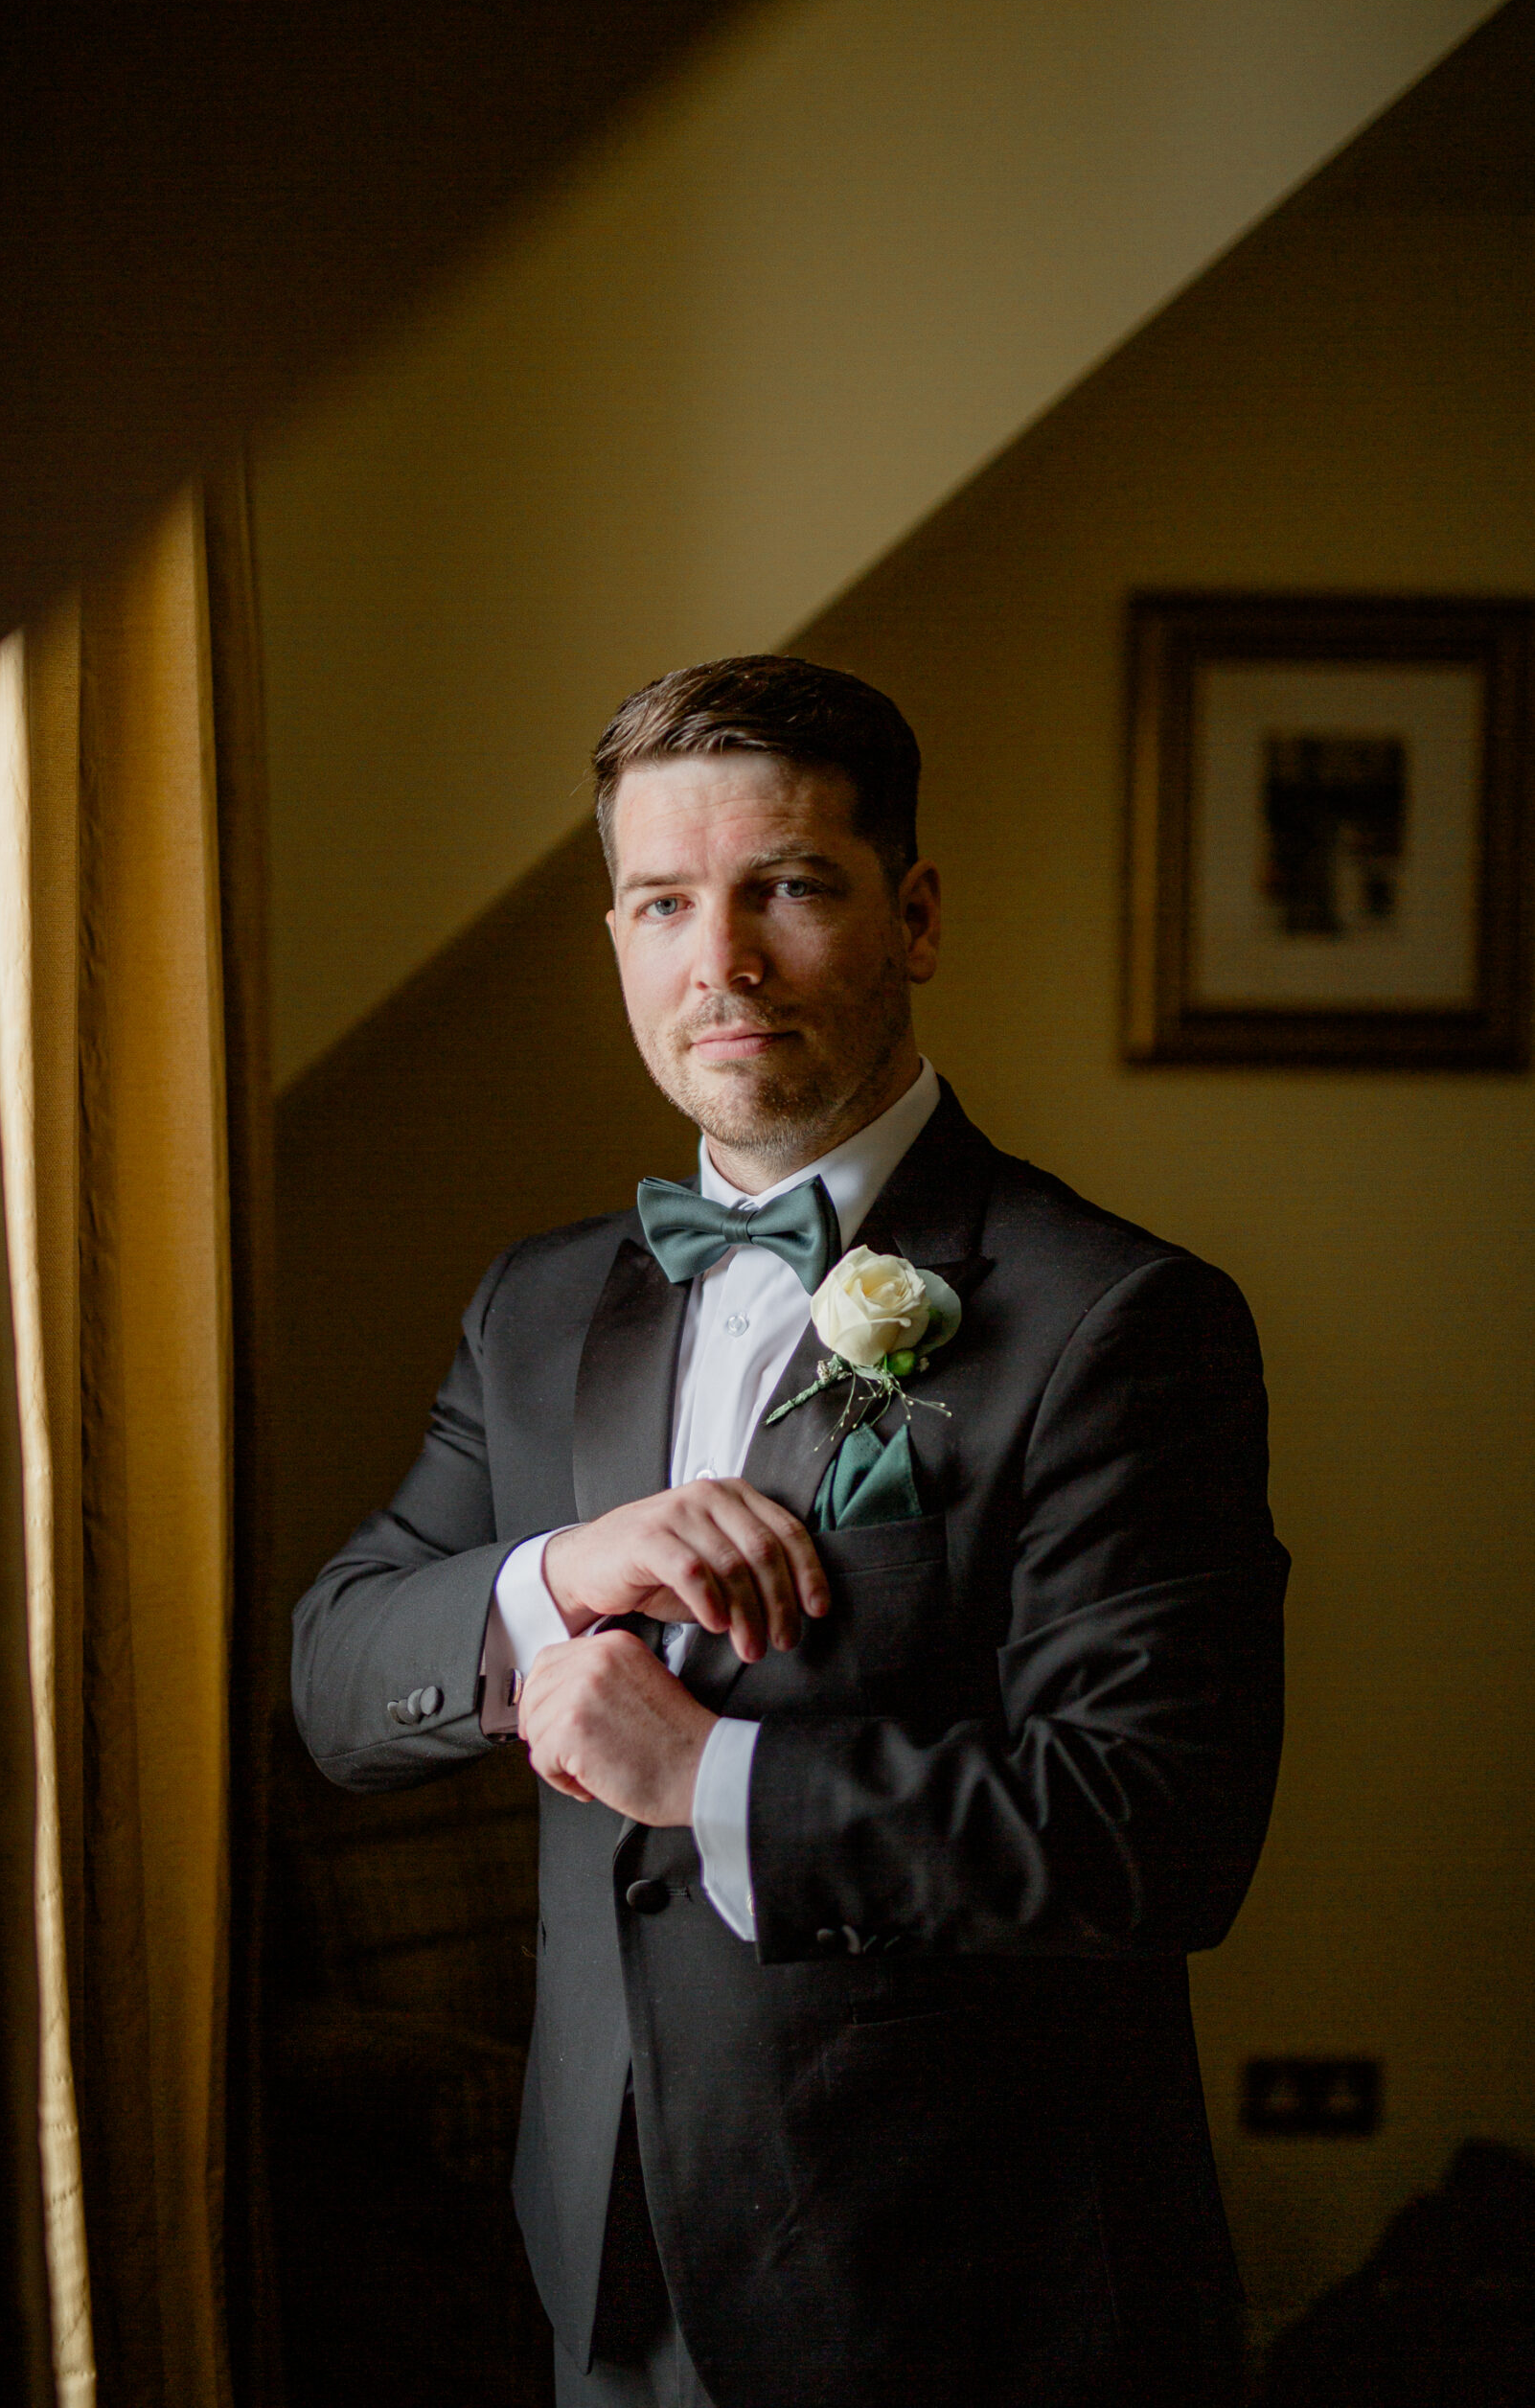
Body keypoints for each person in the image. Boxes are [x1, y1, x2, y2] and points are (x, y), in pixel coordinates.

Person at [292, 654, 1287, 2408]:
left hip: (973, 2293)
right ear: (615, 935)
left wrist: (703, 1777)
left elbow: (1157, 1831)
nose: (720, 964)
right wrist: (557, 1580)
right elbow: (334, 1676)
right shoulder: (534, 1309)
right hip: (604, 2271)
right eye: (664, 902)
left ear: (911, 915)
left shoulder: (1118, 1315)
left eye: (789, 889)